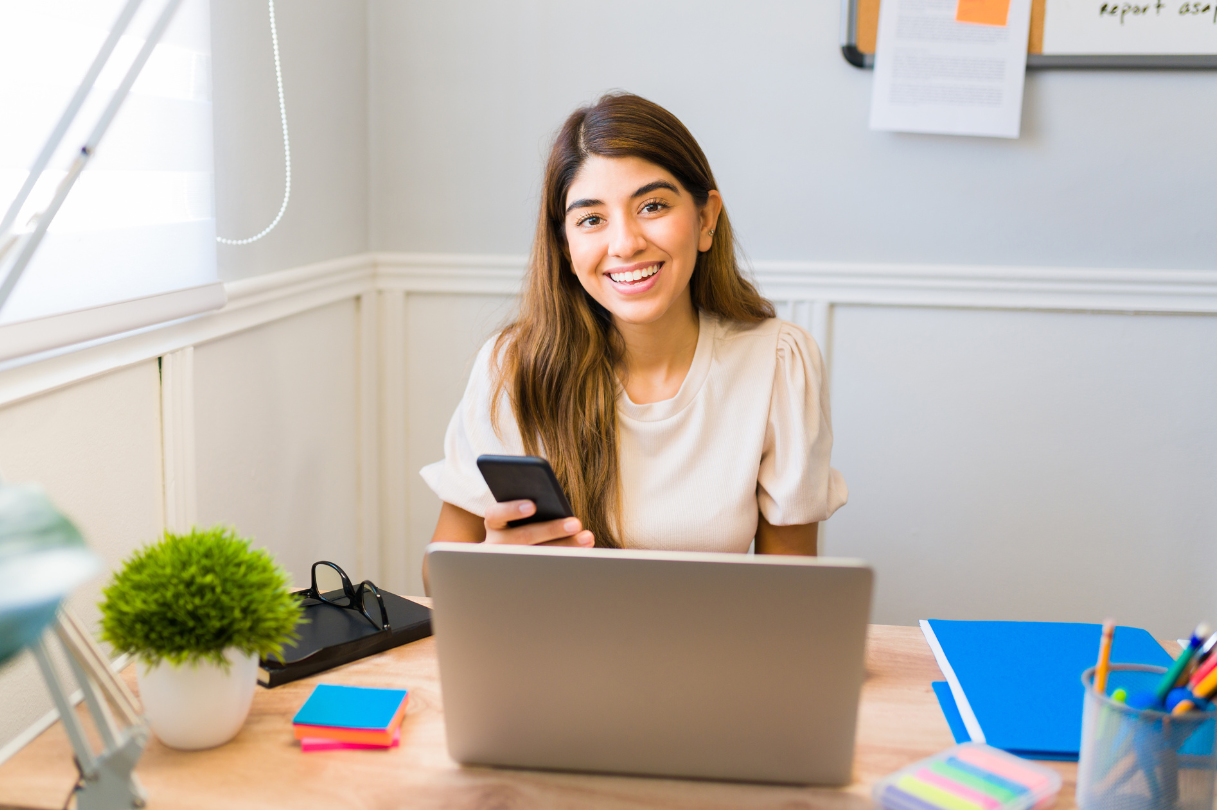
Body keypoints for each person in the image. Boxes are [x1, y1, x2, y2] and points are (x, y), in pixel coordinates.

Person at [421, 92, 846, 588]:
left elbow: (790, 596)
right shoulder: (512, 366)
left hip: (706, 658)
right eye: (591, 219)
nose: (625, 243)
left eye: (652, 206)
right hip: (554, 654)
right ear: (565, 244)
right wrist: (487, 565)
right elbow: (438, 578)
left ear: (706, 219)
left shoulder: (778, 362)